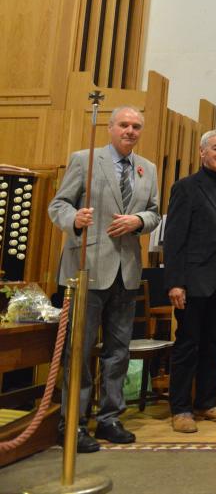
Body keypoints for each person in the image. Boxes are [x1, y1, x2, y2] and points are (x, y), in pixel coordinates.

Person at [47, 106, 160, 452]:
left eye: (136, 126)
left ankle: (110, 417)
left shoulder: (147, 168)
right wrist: (75, 218)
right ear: (110, 128)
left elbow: (154, 211)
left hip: (126, 271)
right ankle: (75, 422)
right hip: (88, 267)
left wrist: (138, 221)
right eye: (124, 125)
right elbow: (58, 205)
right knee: (78, 349)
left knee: (117, 350)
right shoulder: (85, 160)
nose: (130, 131)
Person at [164, 130, 216, 433]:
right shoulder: (185, 188)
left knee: (214, 344)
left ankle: (208, 401)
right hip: (193, 280)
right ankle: (181, 408)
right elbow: (173, 239)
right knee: (188, 344)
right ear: (202, 152)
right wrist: (175, 282)